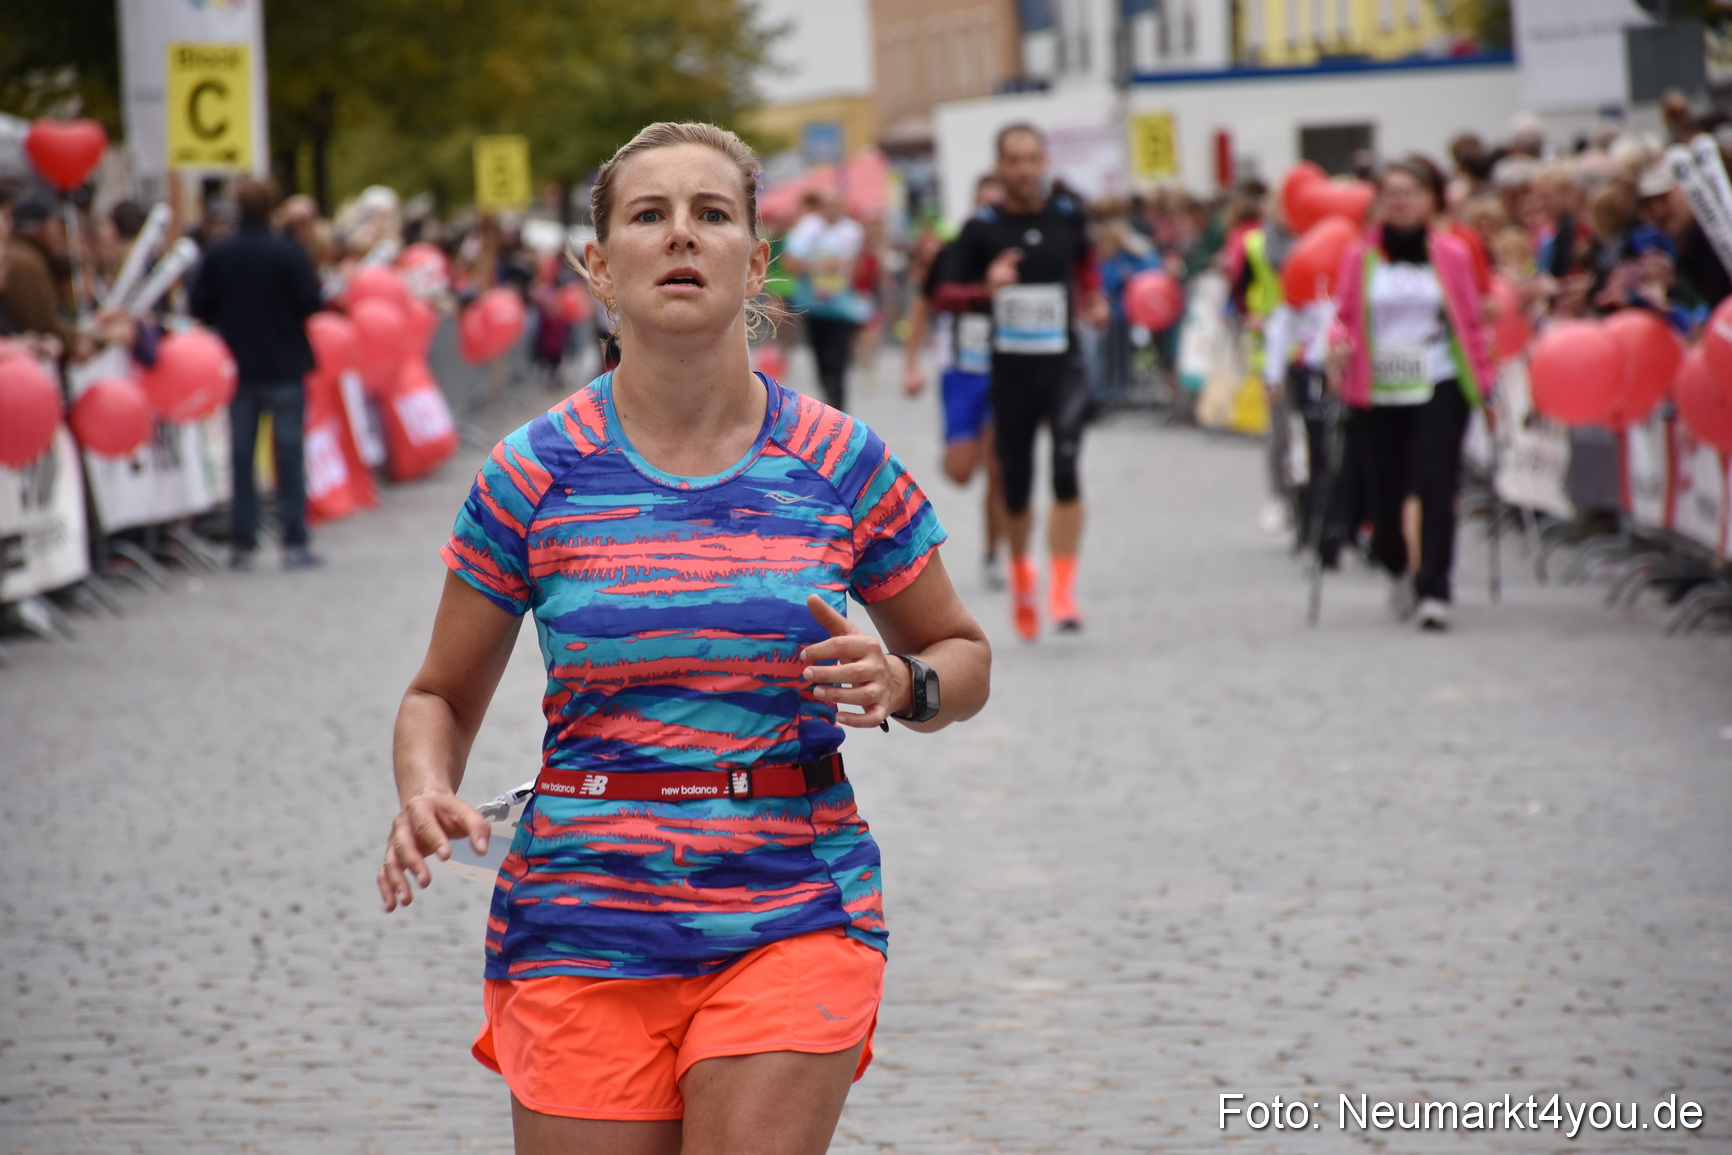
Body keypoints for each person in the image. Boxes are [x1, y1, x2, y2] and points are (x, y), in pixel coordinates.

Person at [377, 121, 991, 1153]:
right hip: (579, 917)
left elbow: (962, 655)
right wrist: (423, 787)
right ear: (598, 266)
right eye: (648, 216)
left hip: (792, 902)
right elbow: (439, 695)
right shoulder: (532, 472)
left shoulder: (841, 460)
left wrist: (904, 682)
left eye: (711, 215)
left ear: (754, 261)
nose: (680, 237)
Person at [935, 123, 1108, 640]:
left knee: (1067, 467)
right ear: (1000, 165)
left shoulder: (1067, 216)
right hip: (1008, 371)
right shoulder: (981, 228)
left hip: (1063, 365)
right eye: (1014, 160)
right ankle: (1022, 581)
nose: (1025, 169)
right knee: (1017, 484)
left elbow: (1087, 268)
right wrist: (985, 288)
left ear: (1044, 161)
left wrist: (1095, 300)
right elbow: (945, 293)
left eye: (1033, 159)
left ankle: (1063, 592)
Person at [1330, 154, 1495, 633]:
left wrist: (1484, 369)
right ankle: (1397, 564)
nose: (1400, 201)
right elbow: (1343, 316)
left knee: (1435, 480)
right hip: (1379, 384)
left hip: (1439, 377)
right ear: (1379, 202)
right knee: (1386, 488)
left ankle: (1436, 587)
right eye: (1392, 193)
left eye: (1411, 192)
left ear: (1430, 201)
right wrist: (1338, 347)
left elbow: (1468, 316)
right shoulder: (1359, 256)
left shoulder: (1453, 253)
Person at [188, 177, 325, 570]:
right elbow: (310, 301)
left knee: (242, 457)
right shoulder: (288, 252)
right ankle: (294, 540)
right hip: (284, 365)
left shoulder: (220, 253)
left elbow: (200, 303)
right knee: (289, 456)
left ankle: (244, 542)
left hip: (239, 368)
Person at [903, 174, 1009, 590]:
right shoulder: (956, 252)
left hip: (1007, 369)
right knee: (962, 472)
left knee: (999, 468)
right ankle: (971, 447)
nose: (990, 213)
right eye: (983, 204)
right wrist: (910, 364)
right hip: (962, 370)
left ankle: (993, 554)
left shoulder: (1023, 252)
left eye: (997, 205)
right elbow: (923, 305)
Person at [782, 189, 868, 410]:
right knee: (820, 359)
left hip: (842, 307)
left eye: (835, 204)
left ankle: (839, 408)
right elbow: (790, 263)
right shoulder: (808, 228)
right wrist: (819, 267)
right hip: (814, 306)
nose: (831, 210)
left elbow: (858, 266)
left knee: (837, 360)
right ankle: (829, 399)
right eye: (826, 205)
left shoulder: (852, 231)